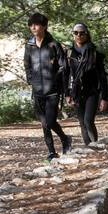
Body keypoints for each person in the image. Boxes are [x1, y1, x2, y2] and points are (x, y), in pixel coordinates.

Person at [23, 11, 72, 160]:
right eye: (31, 25)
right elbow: (27, 65)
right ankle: (51, 151)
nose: (33, 27)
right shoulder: (29, 45)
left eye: (36, 24)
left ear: (44, 26)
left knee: (49, 122)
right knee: (44, 124)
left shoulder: (54, 45)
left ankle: (64, 138)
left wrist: (61, 86)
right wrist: (31, 80)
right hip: (37, 91)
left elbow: (64, 67)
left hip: (53, 91)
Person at [64, 22, 108, 147]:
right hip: (76, 92)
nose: (79, 35)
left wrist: (104, 97)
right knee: (82, 123)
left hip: (92, 92)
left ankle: (95, 144)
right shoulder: (69, 54)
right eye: (76, 33)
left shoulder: (95, 54)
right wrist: (67, 94)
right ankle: (89, 148)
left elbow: (102, 77)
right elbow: (66, 75)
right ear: (73, 35)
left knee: (88, 121)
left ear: (86, 34)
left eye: (82, 33)